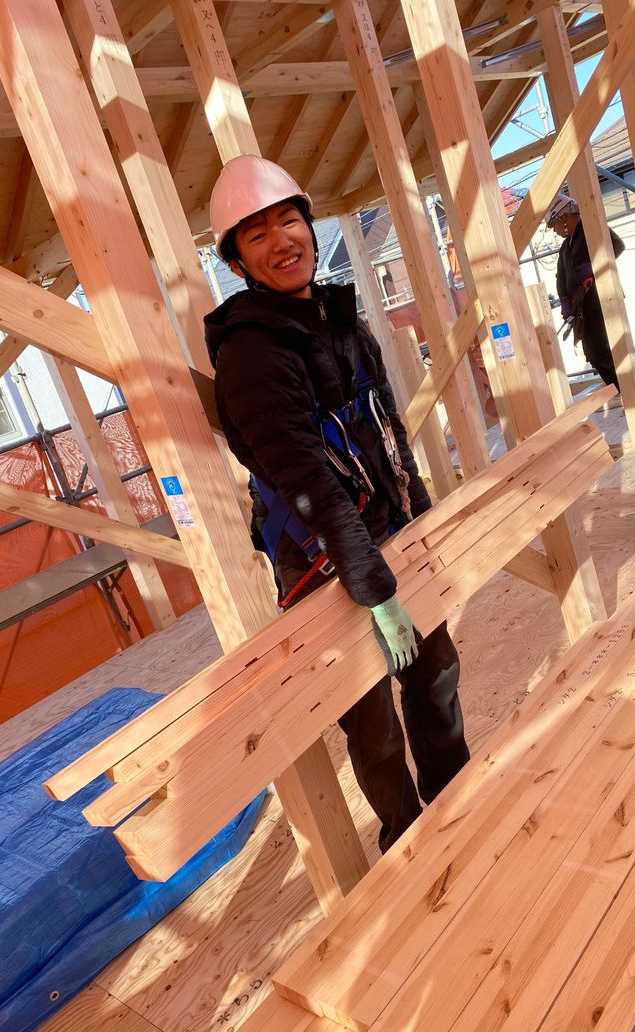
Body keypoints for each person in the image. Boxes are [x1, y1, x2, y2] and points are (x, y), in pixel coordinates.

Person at [205, 155, 469, 853]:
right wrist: (374, 589)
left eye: (288, 220)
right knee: (371, 719)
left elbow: (387, 429)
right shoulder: (249, 357)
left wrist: (421, 517)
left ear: (310, 225)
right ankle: (410, 842)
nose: (281, 241)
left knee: (435, 674)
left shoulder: (339, 318)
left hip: (388, 530)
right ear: (236, 262)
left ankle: (458, 805)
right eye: (257, 234)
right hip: (322, 559)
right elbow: (308, 485)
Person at [545, 191, 625, 391]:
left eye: (554, 225)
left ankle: (627, 389)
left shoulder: (591, 229)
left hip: (602, 303)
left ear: (563, 217)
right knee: (592, 353)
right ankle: (620, 389)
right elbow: (561, 277)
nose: (555, 231)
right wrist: (565, 301)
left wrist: (595, 266)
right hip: (583, 310)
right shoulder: (566, 247)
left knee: (606, 351)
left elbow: (617, 245)